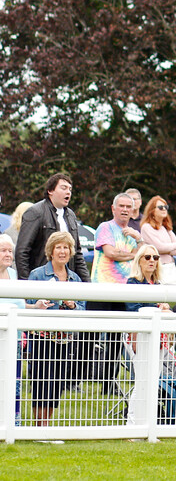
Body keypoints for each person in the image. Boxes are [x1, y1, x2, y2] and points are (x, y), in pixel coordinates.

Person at [26, 231, 86, 426]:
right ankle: (38, 427)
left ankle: (47, 426)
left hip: (65, 339)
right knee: (40, 382)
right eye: (58, 247)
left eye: (66, 247)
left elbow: (82, 308)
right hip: (41, 338)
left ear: (71, 251)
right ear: (51, 251)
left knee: (57, 383)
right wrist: (38, 304)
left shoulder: (75, 279)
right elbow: (27, 303)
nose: (62, 251)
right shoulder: (37, 275)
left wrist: (72, 305)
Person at [124, 244, 176, 425]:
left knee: (152, 381)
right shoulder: (132, 282)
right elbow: (133, 309)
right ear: (139, 261)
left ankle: (146, 426)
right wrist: (159, 308)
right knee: (143, 381)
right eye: (147, 257)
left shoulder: (159, 285)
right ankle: (132, 424)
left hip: (158, 338)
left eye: (155, 258)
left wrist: (165, 307)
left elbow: (167, 306)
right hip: (138, 336)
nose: (152, 261)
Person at [89, 192, 143, 395]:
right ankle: (75, 379)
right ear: (113, 208)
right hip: (102, 289)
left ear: (133, 210)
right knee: (90, 336)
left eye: (128, 207)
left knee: (114, 339)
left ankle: (108, 384)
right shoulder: (105, 227)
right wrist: (132, 254)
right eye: (121, 206)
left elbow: (145, 255)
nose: (125, 210)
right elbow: (110, 253)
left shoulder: (134, 232)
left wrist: (139, 240)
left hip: (125, 290)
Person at [0, 234, 52, 426]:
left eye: (9, 251)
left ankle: (13, 424)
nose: (8, 254)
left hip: (14, 339)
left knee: (14, 381)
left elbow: (20, 305)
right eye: (3, 250)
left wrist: (36, 306)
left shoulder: (13, 275)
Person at [15, 173, 90, 281]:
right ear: (50, 191)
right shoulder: (35, 212)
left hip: (68, 279)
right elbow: (22, 251)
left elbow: (77, 253)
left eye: (70, 189)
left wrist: (87, 283)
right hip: (41, 280)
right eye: (63, 188)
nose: (68, 191)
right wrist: (27, 287)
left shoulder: (71, 215)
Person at [140, 196, 176, 285]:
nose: (164, 209)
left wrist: (166, 250)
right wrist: (173, 246)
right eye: (160, 207)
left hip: (171, 268)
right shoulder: (146, 227)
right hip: (158, 269)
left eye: (166, 207)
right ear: (152, 211)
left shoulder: (167, 229)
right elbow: (159, 248)